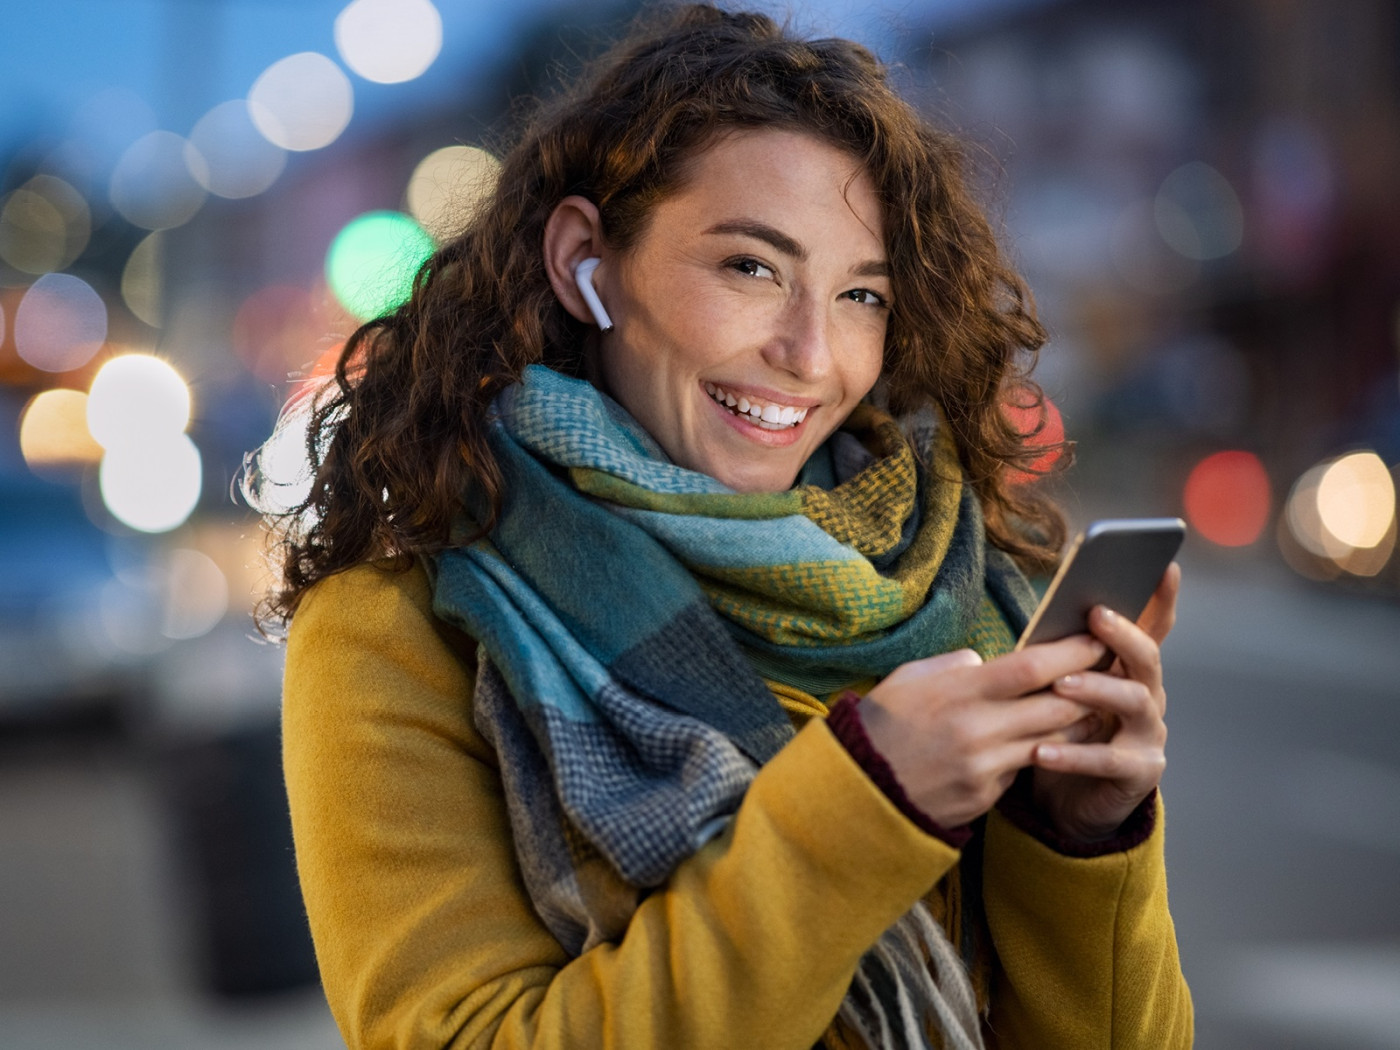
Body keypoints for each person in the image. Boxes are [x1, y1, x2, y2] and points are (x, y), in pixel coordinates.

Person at [254, 5, 1193, 1048]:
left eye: (859, 296)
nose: (808, 352)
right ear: (584, 263)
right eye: (749, 267)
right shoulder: (398, 631)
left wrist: (1074, 834)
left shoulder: (959, 584)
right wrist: (862, 807)